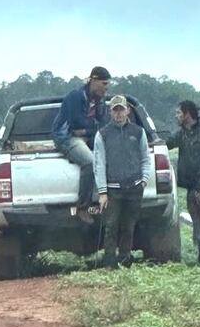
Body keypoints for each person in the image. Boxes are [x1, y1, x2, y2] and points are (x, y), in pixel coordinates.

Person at [93, 95, 152, 268]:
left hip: (134, 187)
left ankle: (125, 260)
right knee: (111, 226)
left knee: (129, 226)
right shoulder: (102, 135)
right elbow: (99, 164)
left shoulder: (138, 132)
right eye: (115, 110)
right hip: (113, 189)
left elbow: (145, 159)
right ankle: (109, 262)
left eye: (121, 109)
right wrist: (102, 192)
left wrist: (144, 180)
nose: (118, 113)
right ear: (111, 112)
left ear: (127, 110)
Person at [52, 66, 110, 224]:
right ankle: (82, 207)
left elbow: (103, 124)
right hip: (66, 137)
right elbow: (75, 123)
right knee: (90, 162)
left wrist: (87, 130)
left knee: (111, 154)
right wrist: (89, 128)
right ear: (94, 80)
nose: (106, 88)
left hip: (87, 136)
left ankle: (113, 200)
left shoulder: (100, 100)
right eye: (104, 84)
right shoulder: (75, 96)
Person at [167, 101, 200, 266]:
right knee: (198, 225)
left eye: (178, 113)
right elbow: (166, 143)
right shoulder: (182, 134)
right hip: (192, 186)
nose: (176, 116)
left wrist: (199, 188)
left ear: (187, 114)